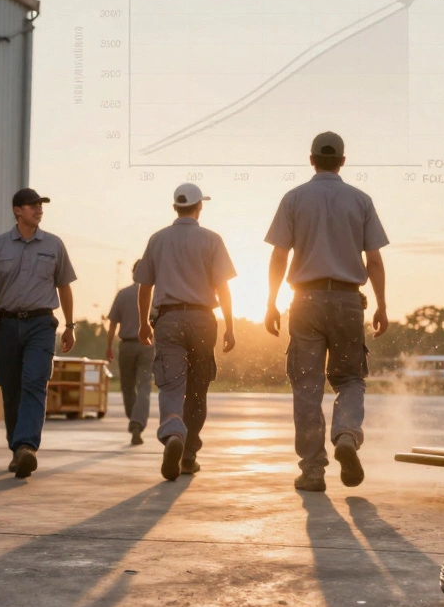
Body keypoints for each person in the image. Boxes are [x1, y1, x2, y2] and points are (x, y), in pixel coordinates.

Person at [264, 131, 390, 492]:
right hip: (349, 301)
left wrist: (270, 302)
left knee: (306, 385)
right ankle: (347, 435)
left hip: (304, 301)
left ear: (312, 159)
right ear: (343, 162)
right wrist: (381, 304)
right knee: (350, 379)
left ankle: (313, 471)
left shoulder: (294, 198)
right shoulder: (360, 200)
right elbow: (375, 259)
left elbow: (278, 255)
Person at [0, 188, 78, 478]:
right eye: (32, 206)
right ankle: (17, 448)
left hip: (42, 324)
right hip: (6, 325)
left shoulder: (54, 245)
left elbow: (64, 287)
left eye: (40, 205)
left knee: (35, 382)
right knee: (11, 388)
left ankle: (27, 446)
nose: (38, 210)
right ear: (17, 210)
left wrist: (70, 326)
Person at [135, 183, 237, 481]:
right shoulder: (212, 240)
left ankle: (173, 432)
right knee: (197, 389)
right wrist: (230, 326)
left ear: (174, 207)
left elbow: (145, 287)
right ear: (199, 207)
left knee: (171, 385)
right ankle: (189, 455)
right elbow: (224, 288)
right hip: (203, 319)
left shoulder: (157, 239)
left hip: (167, 319)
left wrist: (143, 323)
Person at [106, 260, 154, 445]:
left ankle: (134, 421)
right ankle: (137, 422)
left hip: (126, 345)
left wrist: (109, 346)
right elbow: (159, 319)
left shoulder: (123, 294)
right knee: (144, 386)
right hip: (147, 346)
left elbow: (112, 322)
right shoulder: (153, 295)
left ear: (134, 274)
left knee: (127, 386)